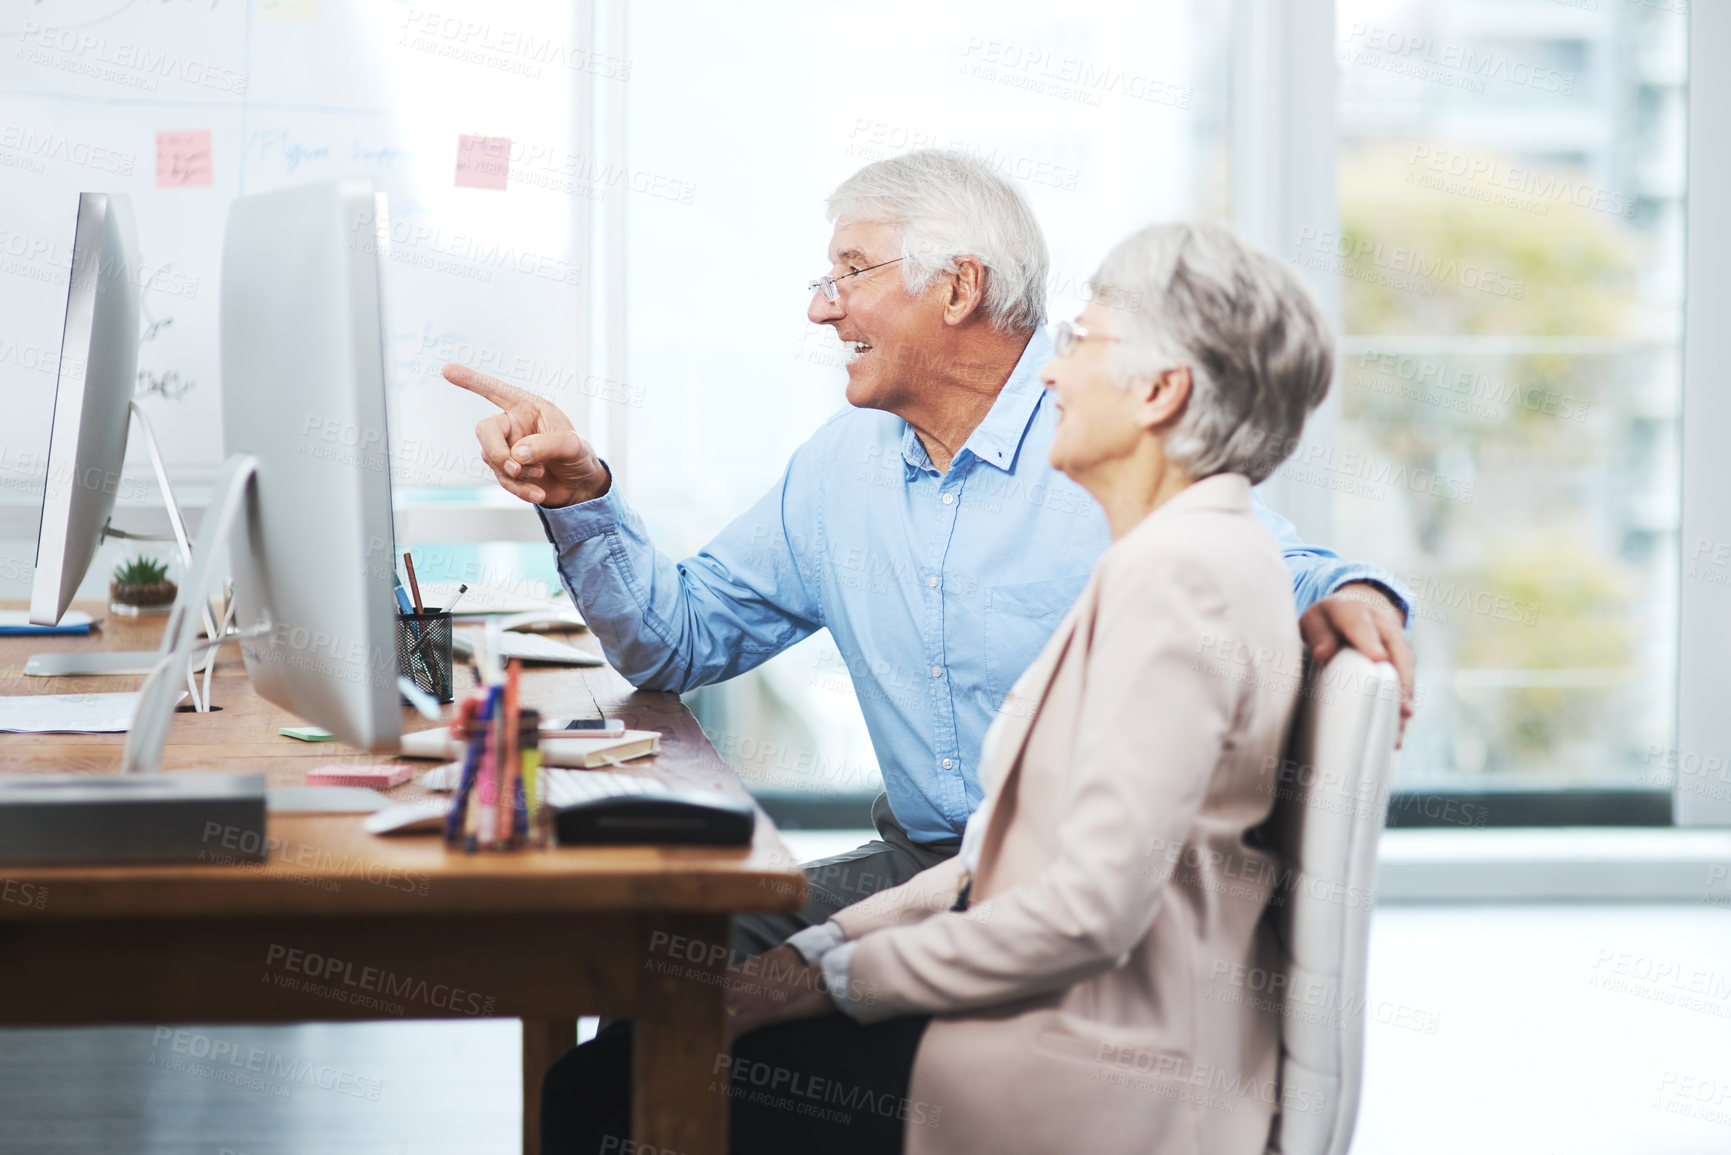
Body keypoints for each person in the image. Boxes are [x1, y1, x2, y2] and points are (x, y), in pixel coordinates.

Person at [445, 150, 1413, 956]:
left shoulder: (1100, 437)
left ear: (958, 287)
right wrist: (581, 499)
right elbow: (674, 642)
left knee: (671, 1008)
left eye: (849, 274)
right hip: (925, 869)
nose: (822, 311)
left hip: (1079, 902)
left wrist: (1352, 587)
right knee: (661, 952)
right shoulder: (842, 469)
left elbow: (1247, 557)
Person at [544, 220, 1340, 1153]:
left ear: (1161, 392)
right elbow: (992, 866)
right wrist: (803, 968)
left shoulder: (1180, 576)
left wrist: (823, 982)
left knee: (606, 1089)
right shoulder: (1164, 554)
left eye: (1079, 345)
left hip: (1072, 1060)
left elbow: (1073, 913)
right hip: (1033, 983)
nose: (1048, 372)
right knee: (654, 1027)